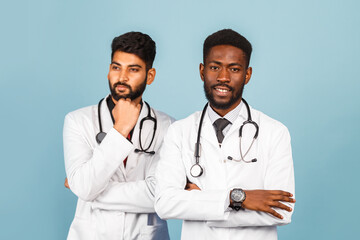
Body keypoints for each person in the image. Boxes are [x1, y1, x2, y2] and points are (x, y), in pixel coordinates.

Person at [155, 29, 295, 240]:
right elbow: (165, 204)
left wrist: (203, 205)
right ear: (202, 71)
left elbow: (282, 211)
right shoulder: (180, 131)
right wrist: (237, 198)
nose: (223, 77)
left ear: (247, 75)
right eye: (214, 67)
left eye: (234, 69)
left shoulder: (275, 132)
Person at [63, 31, 172, 240]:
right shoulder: (78, 121)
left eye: (133, 69)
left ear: (150, 76)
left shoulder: (168, 126)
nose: (122, 77)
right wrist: (121, 129)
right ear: (108, 71)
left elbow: (160, 195)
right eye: (116, 67)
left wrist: (89, 193)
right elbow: (85, 187)